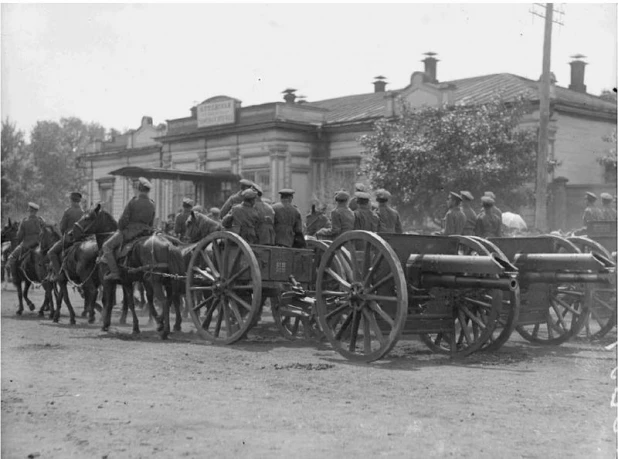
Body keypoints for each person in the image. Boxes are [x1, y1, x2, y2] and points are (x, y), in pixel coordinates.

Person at [102, 177, 156, 281]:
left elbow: (123, 220)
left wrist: (120, 228)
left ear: (139, 188)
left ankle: (114, 272)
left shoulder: (133, 202)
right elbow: (151, 222)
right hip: (146, 234)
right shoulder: (152, 204)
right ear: (148, 191)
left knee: (106, 246)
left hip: (130, 232)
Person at [49, 192, 85, 282]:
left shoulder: (68, 211)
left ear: (71, 201)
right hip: (82, 239)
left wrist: (63, 234)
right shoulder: (83, 212)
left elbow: (62, 227)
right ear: (79, 201)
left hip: (69, 239)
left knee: (51, 252)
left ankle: (58, 274)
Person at [8, 202, 45, 278]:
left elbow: (19, 236)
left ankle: (14, 276)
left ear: (29, 210)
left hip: (26, 245)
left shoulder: (24, 221)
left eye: (29, 209)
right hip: (39, 244)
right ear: (36, 211)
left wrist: (18, 239)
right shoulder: (40, 220)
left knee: (11, 257)